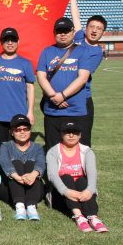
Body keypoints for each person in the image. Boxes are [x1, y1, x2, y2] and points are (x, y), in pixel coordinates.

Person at [37, 17, 91, 150]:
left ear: (73, 32)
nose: (62, 34)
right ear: (54, 33)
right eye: (59, 31)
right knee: (52, 150)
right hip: (53, 111)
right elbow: (41, 76)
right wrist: (53, 96)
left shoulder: (82, 51)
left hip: (76, 112)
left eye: (66, 31)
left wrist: (62, 95)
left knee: (79, 150)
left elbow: (83, 78)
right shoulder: (47, 52)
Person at [46, 121, 108, 233]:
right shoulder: (53, 151)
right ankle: (79, 216)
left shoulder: (87, 151)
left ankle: (93, 217)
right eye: (67, 132)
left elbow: (92, 173)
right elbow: (52, 175)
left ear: (80, 135)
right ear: (62, 134)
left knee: (82, 180)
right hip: (61, 195)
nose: (71, 135)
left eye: (74, 133)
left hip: (82, 192)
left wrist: (90, 190)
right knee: (66, 177)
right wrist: (66, 191)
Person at [0, 27, 35, 152]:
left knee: (18, 151)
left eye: (13, 40)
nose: (10, 43)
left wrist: (30, 111)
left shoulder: (25, 63)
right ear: (1, 42)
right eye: (6, 40)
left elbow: (30, 87)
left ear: (18, 42)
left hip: (19, 115)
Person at [70, 0, 108, 146]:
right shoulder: (79, 37)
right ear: (86, 28)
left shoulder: (97, 52)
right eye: (92, 27)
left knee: (83, 138)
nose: (94, 30)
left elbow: (80, 75)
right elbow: (76, 18)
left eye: (99, 28)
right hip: (65, 96)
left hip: (82, 98)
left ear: (103, 33)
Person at [0, 114, 45, 220]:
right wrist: (18, 178)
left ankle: (31, 206)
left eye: (25, 129)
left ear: (30, 130)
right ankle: (20, 206)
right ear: (12, 132)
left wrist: (33, 175)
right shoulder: (5, 146)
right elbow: (5, 163)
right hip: (12, 188)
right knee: (16, 163)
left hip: (32, 186)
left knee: (30, 164)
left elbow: (41, 163)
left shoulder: (38, 148)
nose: (22, 132)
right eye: (18, 130)